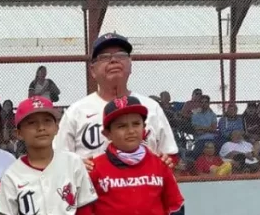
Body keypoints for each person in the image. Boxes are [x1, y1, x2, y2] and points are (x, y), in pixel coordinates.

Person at [88, 96, 185, 215]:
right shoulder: (94, 168)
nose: (131, 130)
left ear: (144, 129)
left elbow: (176, 209)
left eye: (136, 124)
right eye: (121, 126)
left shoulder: (160, 164)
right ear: (107, 133)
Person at [55, 33, 177, 162]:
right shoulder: (76, 112)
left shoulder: (151, 107)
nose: (113, 60)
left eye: (121, 55)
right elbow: (58, 158)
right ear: (92, 70)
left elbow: (170, 154)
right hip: (90, 182)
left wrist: (166, 161)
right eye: (104, 57)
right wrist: (76, 165)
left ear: (131, 64)